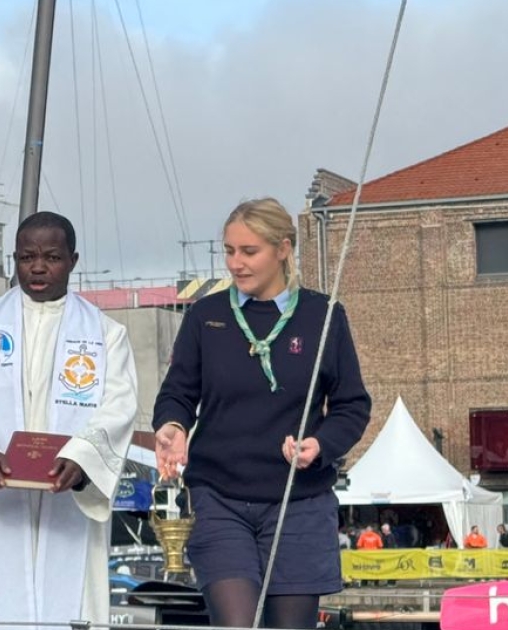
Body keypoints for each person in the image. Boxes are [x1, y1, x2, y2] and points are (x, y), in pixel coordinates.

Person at [153, 198, 371, 629]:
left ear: (283, 249)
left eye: (248, 252)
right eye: (229, 251)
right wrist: (173, 427)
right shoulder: (205, 317)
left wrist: (320, 445)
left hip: (299, 501)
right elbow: (177, 392)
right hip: (219, 497)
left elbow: (351, 405)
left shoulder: (324, 316)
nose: (236, 263)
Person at [0, 212, 138, 627]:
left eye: (52, 257)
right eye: (27, 257)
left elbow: (119, 404)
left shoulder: (105, 334)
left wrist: (83, 456)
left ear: (73, 260)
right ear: (14, 259)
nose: (39, 267)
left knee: (68, 604)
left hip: (69, 499)